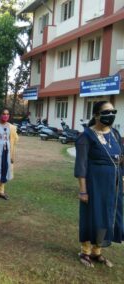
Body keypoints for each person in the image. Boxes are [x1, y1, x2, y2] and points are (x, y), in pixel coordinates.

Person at [75, 101, 124, 268]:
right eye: (106, 112)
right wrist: (83, 191)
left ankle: (97, 251)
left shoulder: (115, 134)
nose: (111, 115)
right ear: (96, 115)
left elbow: (121, 158)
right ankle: (85, 251)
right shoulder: (86, 136)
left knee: (107, 216)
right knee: (92, 216)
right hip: (93, 185)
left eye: (113, 111)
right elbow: (81, 166)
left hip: (113, 185)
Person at [0, 108, 18, 200]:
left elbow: (13, 140)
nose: (6, 116)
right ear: (0, 115)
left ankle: (2, 191)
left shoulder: (11, 127)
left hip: (7, 152)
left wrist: (12, 154)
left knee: (4, 170)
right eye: (4, 114)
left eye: (7, 114)